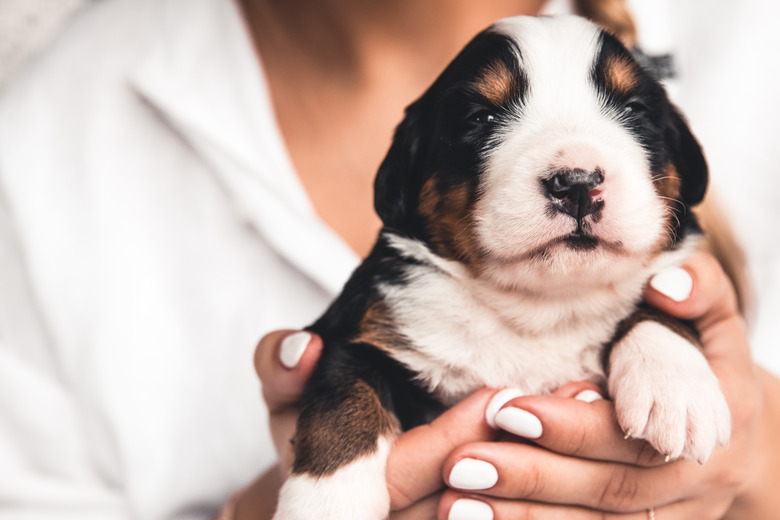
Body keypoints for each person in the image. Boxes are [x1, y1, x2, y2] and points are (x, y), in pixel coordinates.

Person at [0, 0, 777, 519]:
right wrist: (264, 509)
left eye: (631, 112)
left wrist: (757, 455)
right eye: (481, 122)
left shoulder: (747, 29)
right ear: (408, 182)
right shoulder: (46, 133)